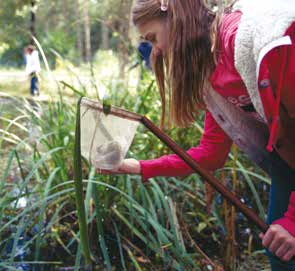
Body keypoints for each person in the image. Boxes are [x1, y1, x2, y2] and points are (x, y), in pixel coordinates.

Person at [104, 0, 295, 269]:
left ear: (176, 18)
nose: (156, 51)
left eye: (153, 38)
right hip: (287, 164)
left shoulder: (248, 41)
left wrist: (293, 221)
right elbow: (211, 154)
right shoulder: (213, 73)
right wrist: (135, 167)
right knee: (280, 253)